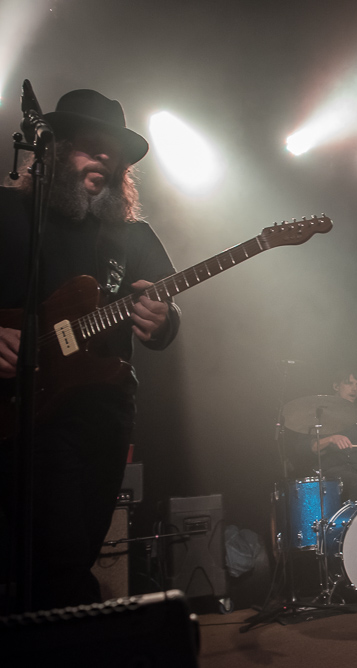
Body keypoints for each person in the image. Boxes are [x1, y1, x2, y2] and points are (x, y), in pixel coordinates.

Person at [0, 89, 180, 611]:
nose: (105, 158)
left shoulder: (133, 238)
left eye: (114, 152)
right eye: (90, 145)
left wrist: (163, 319)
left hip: (91, 420)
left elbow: (165, 319)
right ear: (51, 148)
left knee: (65, 561)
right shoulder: (7, 212)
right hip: (9, 409)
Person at [295, 370, 357, 501]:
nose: (354, 388)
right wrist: (331, 439)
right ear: (336, 386)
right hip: (330, 472)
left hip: (356, 468)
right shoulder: (320, 412)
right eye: (349, 384)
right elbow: (303, 447)